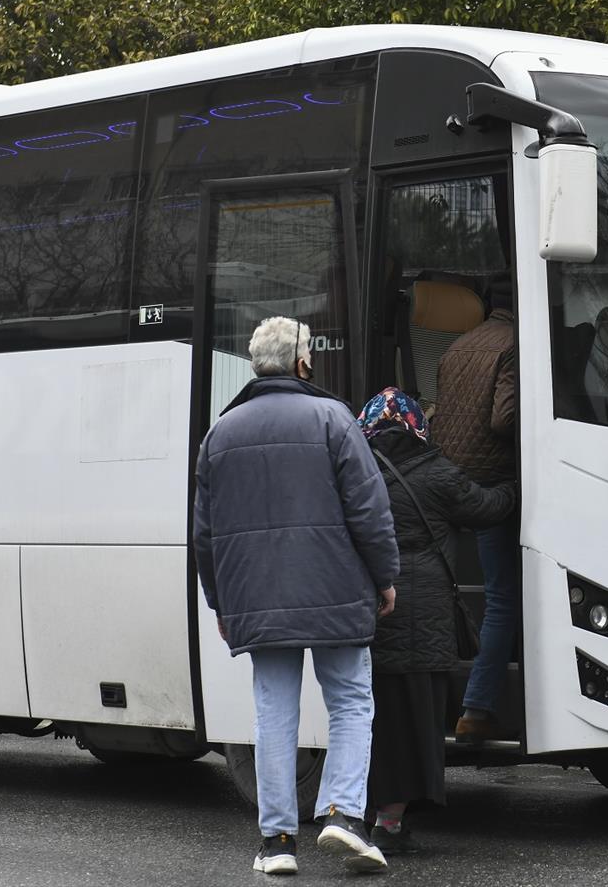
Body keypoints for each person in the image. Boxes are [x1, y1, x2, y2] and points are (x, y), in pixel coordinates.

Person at [193, 316, 399, 876]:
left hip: (257, 599)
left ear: (256, 365)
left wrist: (220, 603)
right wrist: (385, 577)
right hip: (336, 589)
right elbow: (369, 510)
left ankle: (277, 841)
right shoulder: (333, 418)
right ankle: (343, 814)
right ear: (304, 362)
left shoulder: (221, 432)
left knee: (274, 714)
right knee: (352, 702)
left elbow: (205, 535)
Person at [357, 387, 517, 853]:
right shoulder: (438, 474)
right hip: (427, 619)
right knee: (419, 719)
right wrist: (516, 482)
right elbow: (489, 509)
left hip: (372, 615)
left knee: (376, 719)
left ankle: (366, 814)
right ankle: (393, 821)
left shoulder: (357, 472)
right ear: (416, 427)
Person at [432, 280, 520, 742]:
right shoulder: (514, 345)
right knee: (503, 598)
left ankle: (435, 705)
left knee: (448, 593)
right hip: (493, 488)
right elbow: (504, 419)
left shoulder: (458, 346)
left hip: (450, 484)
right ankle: (476, 708)